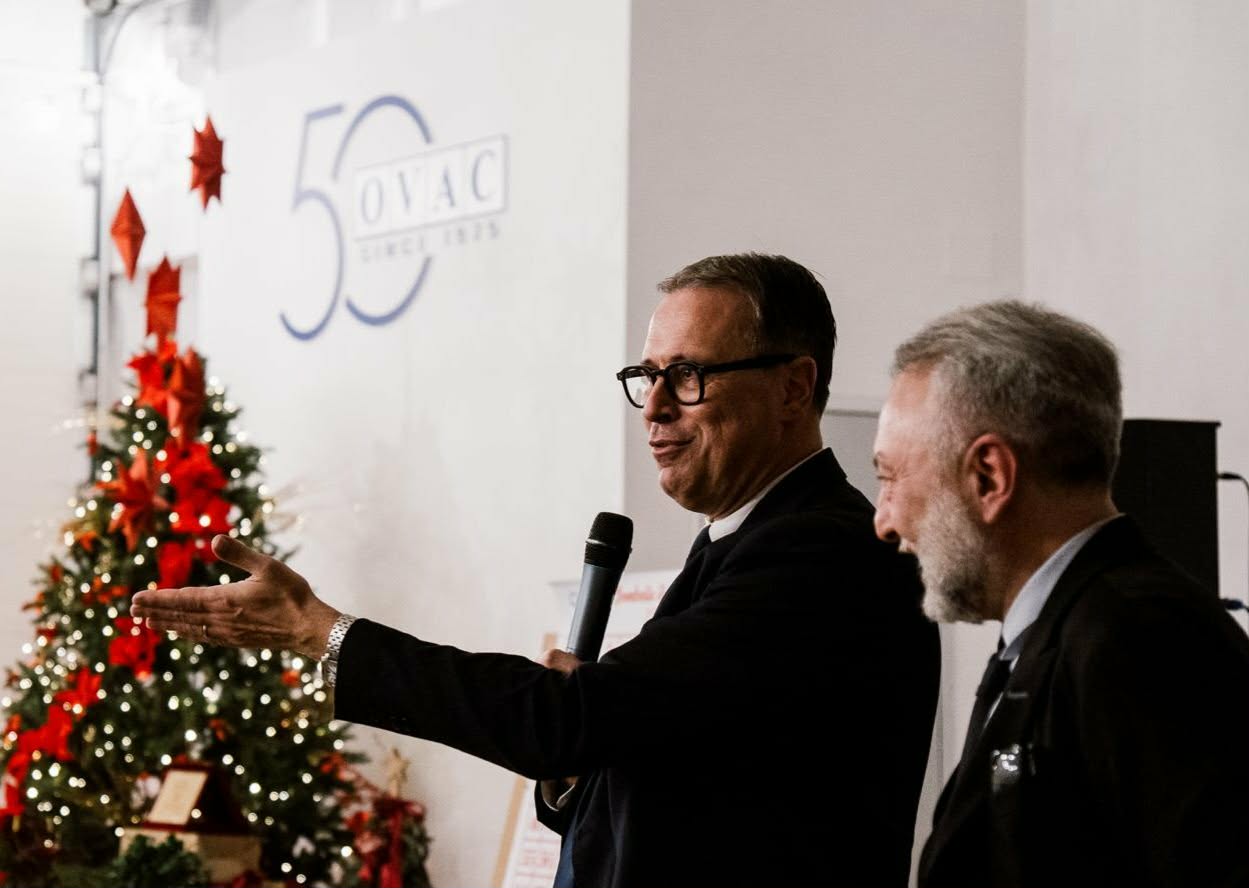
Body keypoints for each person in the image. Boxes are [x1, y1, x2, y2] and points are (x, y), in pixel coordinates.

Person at [133, 253, 940, 888]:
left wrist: (324, 633)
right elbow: (656, 770)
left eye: (688, 376)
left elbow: (571, 722)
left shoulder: (822, 552)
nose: (656, 408)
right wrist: (575, 766)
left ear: (793, 387)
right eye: (647, 377)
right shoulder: (735, 539)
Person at [872, 300, 1249, 888]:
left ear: (989, 476)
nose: (884, 521)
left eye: (890, 477)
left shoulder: (1142, 639)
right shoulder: (1062, 633)